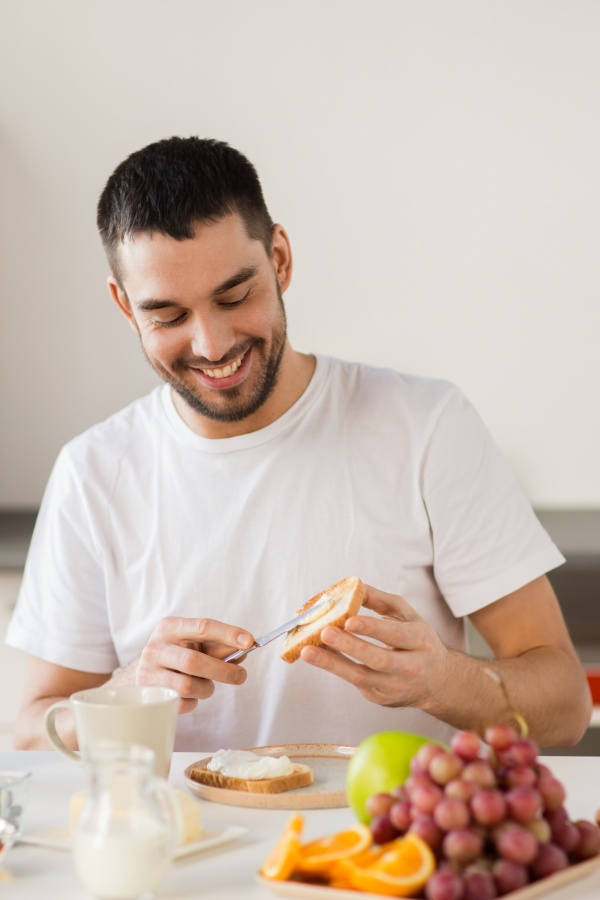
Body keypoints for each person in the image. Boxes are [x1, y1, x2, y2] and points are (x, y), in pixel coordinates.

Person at [7, 137, 591, 753]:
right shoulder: (93, 471)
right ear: (126, 306)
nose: (211, 345)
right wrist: (125, 695)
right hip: (189, 847)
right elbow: (30, 731)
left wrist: (441, 680)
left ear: (279, 259)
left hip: (389, 843)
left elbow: (566, 706)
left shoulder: (425, 426)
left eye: (235, 297)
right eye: (169, 317)